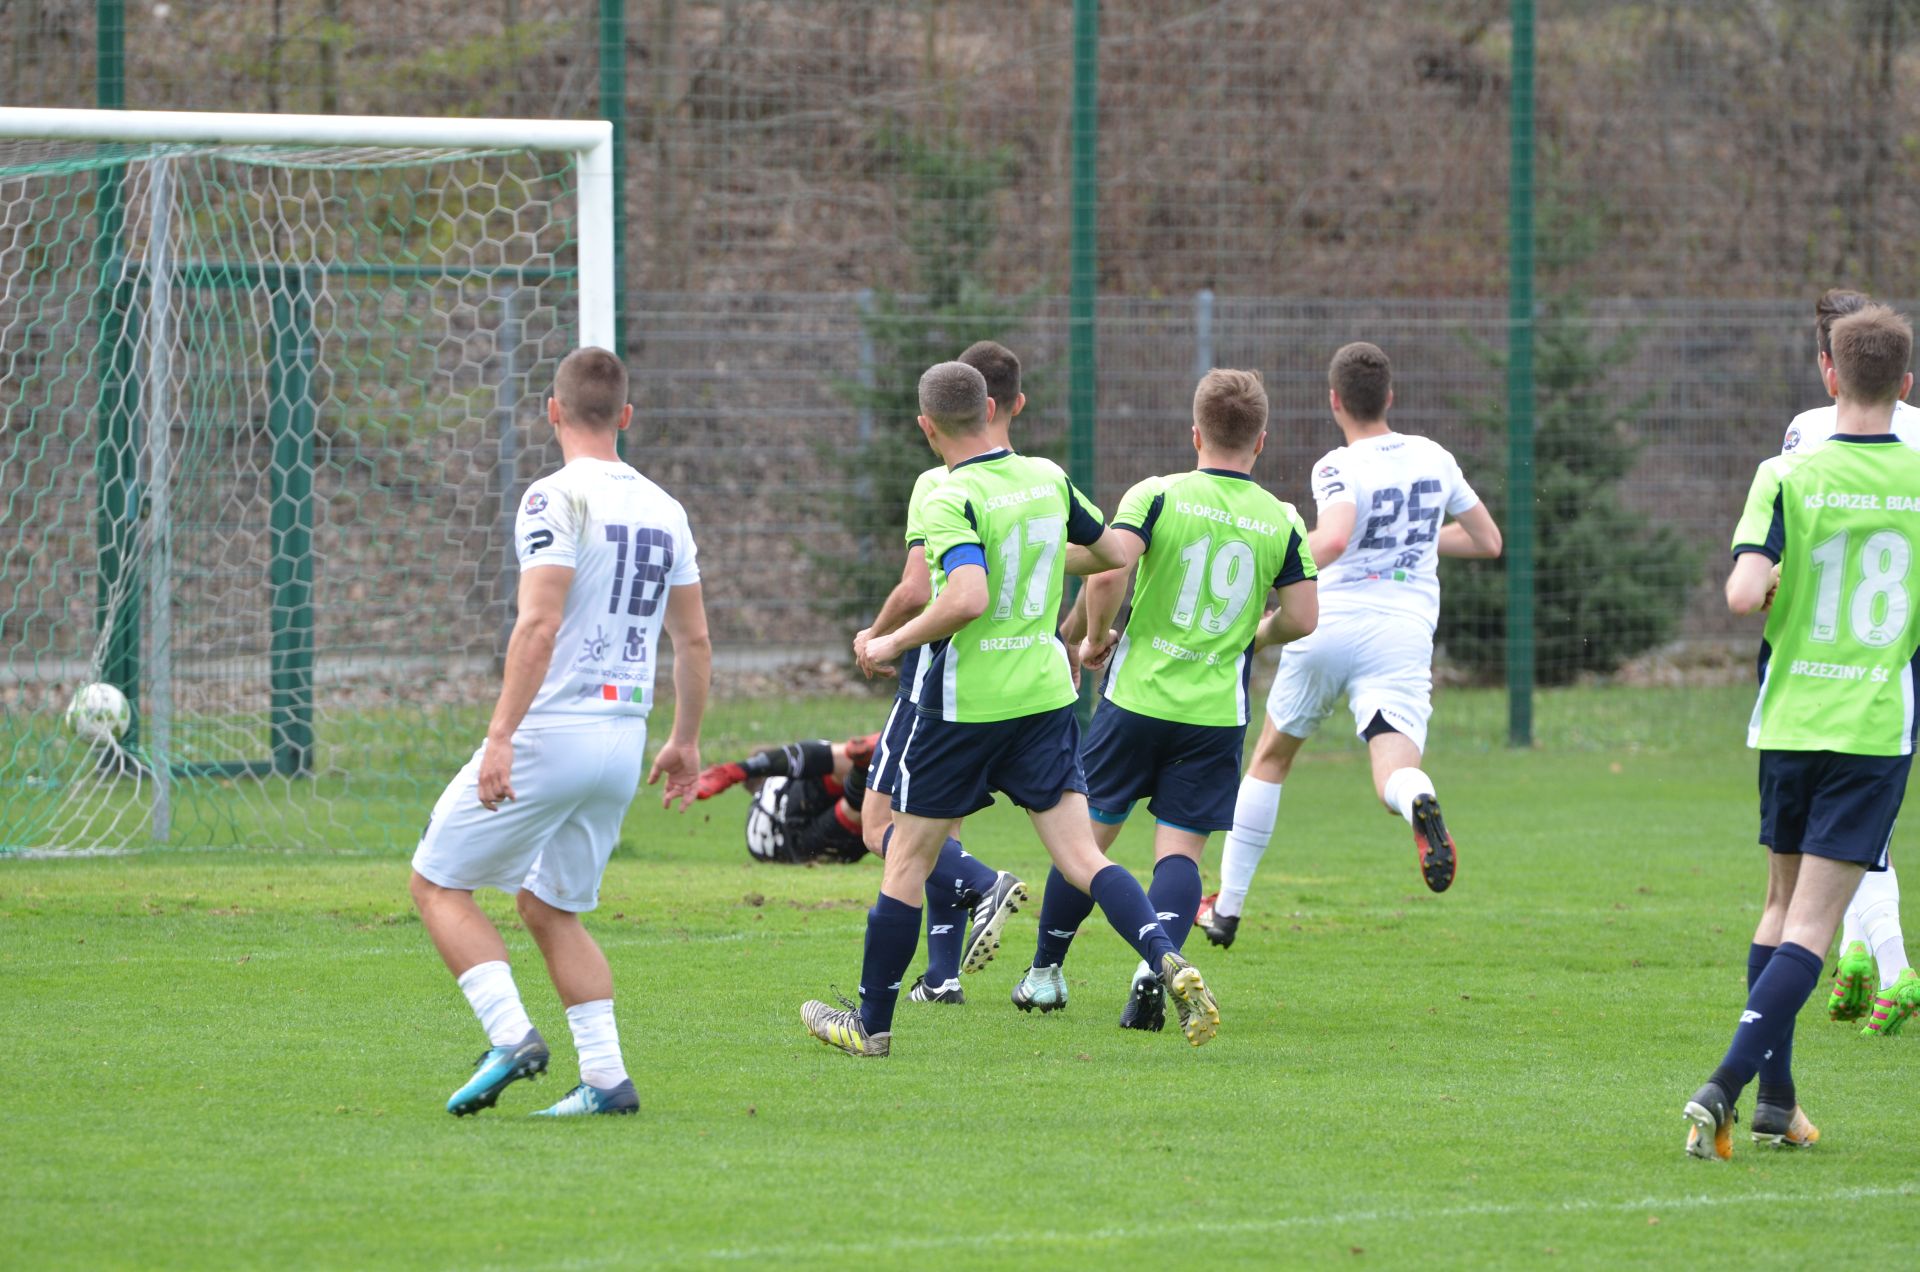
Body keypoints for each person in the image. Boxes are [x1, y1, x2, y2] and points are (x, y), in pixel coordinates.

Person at [800, 361, 1222, 1056]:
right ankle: (1163, 955)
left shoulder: (948, 495)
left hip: (966, 708)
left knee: (905, 861)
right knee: (1082, 856)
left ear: (927, 427)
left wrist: (889, 641)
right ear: (992, 409)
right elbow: (1111, 552)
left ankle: (869, 1026)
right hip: (1044, 699)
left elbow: (967, 597)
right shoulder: (1047, 478)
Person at [408, 347, 710, 1118]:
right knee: (548, 906)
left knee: (437, 884)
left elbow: (538, 624)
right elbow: (694, 640)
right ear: (626, 417)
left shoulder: (554, 497)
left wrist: (501, 734)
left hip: (556, 730)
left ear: (553, 410)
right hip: (624, 738)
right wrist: (685, 741)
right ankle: (606, 1080)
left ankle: (510, 1036)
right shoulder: (666, 508)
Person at [1684, 304, 1920, 1159]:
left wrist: (1787, 579)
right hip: (1871, 724)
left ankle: (1778, 1103)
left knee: (1779, 908)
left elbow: (1743, 596)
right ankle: (1724, 1084)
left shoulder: (1782, 474)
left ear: (1828, 374)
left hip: (1788, 716)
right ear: (1905, 385)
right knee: (1815, 925)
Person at [1019, 368, 1318, 1030]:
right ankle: (1149, 975)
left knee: (1085, 844)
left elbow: (1109, 568)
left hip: (1136, 701)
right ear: (1261, 441)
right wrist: (1257, 635)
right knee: (1180, 855)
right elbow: (1302, 617)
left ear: (1196, 434)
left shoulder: (1157, 495)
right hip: (1213, 715)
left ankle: (1044, 975)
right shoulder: (1284, 519)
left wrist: (1093, 638)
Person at [1198, 342, 1501, 948]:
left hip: (1329, 625)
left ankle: (1226, 909)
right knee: (1394, 772)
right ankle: (1419, 797)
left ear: (1335, 401)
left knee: (1271, 758)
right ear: (1389, 396)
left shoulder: (1338, 464)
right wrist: (1412, 542)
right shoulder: (1434, 456)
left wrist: (1274, 568)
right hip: (1402, 633)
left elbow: (1333, 539)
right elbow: (1487, 541)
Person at [845, 340, 1036, 1003]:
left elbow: (918, 585)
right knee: (940, 825)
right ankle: (943, 974)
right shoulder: (1038, 482)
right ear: (1011, 404)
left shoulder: (941, 484)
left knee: (881, 826)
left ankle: (984, 884)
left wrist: (876, 638)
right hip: (1019, 678)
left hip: (939, 672)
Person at [1779, 289, 1918, 1036]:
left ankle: (1892, 963)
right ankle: (1863, 951)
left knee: (1838, 826)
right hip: (1901, 656)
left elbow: (1784, 546)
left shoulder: (1806, 431)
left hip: (1829, 660)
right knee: (1862, 817)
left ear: (1827, 365)